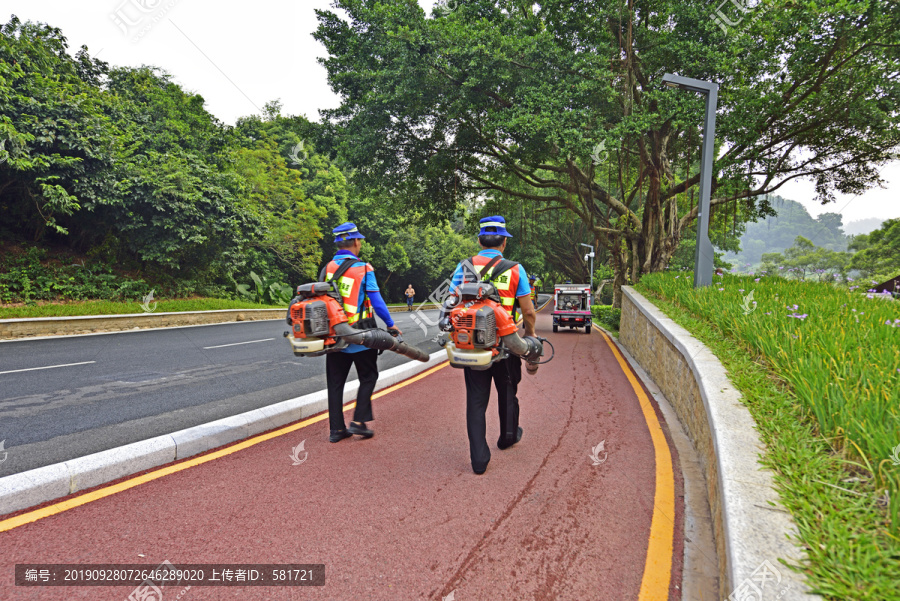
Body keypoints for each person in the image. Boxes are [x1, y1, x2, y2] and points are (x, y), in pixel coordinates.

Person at [448, 215, 537, 475]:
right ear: (504, 243)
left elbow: (450, 303)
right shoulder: (515, 269)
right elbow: (529, 312)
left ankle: (479, 459)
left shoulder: (463, 267)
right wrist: (528, 338)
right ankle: (508, 436)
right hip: (507, 344)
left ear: (478, 240)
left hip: (473, 345)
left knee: (476, 400)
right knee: (508, 391)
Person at [321, 222, 402, 442]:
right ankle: (358, 421)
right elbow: (376, 301)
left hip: (335, 335)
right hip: (361, 335)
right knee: (369, 376)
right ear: (356, 242)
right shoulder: (364, 268)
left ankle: (336, 430)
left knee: (335, 382)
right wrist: (391, 324)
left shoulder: (327, 268)